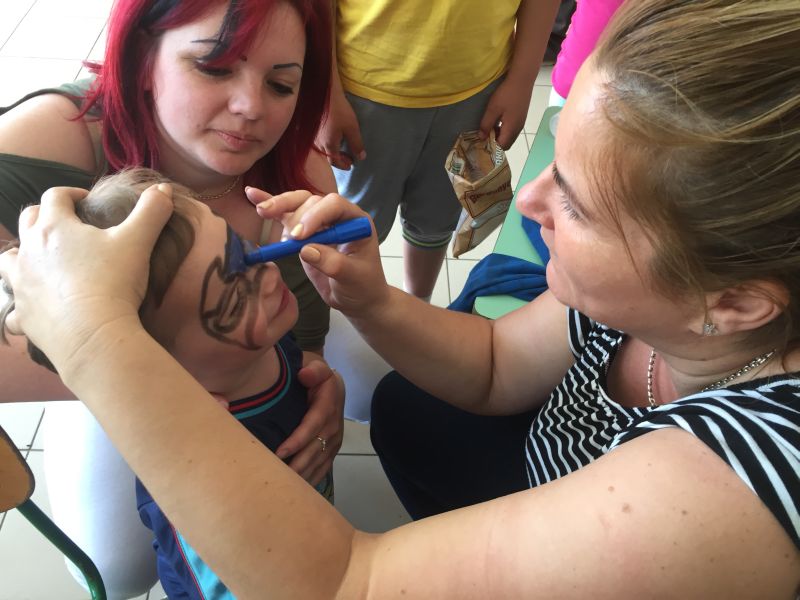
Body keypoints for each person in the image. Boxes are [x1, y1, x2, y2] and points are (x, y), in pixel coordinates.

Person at [3, 0, 799, 597]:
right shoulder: (658, 297)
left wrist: (96, 337)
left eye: (579, 206)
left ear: (734, 304)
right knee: (408, 408)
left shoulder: (742, 484)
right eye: (554, 162)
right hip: (546, 470)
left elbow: (347, 581)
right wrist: (370, 300)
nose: (528, 202)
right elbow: (497, 364)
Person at [0, 1, 343, 597]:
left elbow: (305, 331)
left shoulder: (300, 172)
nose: (251, 107)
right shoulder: (48, 140)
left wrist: (315, 381)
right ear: (141, 58)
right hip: (88, 378)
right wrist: (149, 385)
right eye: (214, 67)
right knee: (117, 567)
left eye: (281, 83)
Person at [2, 168, 335, 597]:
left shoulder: (267, 339)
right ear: (162, 368)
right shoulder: (199, 491)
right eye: (234, 298)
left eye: (247, 250)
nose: (270, 275)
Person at [315, 0, 561, 301]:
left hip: (476, 87)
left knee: (435, 219)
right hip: (362, 91)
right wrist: (324, 90)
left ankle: (418, 302)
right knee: (354, 225)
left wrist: (522, 80)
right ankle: (351, 306)